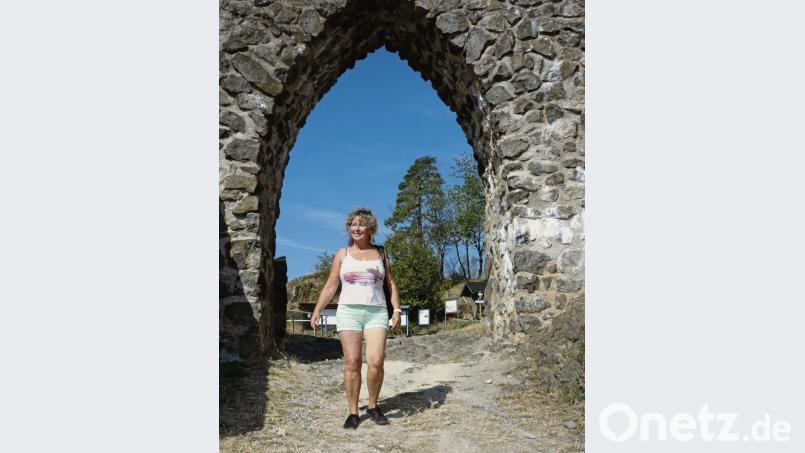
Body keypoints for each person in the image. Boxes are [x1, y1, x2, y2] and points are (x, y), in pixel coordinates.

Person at [310, 206, 402, 430]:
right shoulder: (342, 254)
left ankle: (373, 406)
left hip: (376, 312)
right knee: (352, 363)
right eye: (353, 224)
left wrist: (397, 310)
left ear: (371, 228)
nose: (356, 228)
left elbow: (390, 283)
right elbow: (332, 284)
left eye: (361, 224)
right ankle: (353, 412)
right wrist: (318, 309)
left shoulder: (381, 253)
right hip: (348, 312)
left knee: (376, 361)